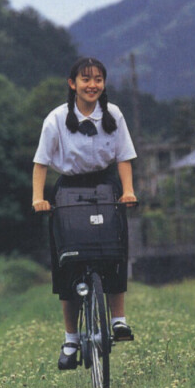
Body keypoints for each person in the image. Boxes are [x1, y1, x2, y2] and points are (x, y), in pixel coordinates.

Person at [32, 57, 137, 370]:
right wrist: (39, 197)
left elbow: (124, 157)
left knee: (115, 251)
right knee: (68, 263)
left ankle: (118, 320)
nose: (92, 85)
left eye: (98, 79)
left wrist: (128, 190)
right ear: (72, 83)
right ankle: (71, 339)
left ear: (103, 84)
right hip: (69, 189)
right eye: (85, 79)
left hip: (106, 185)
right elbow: (40, 163)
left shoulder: (113, 114)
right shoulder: (56, 119)